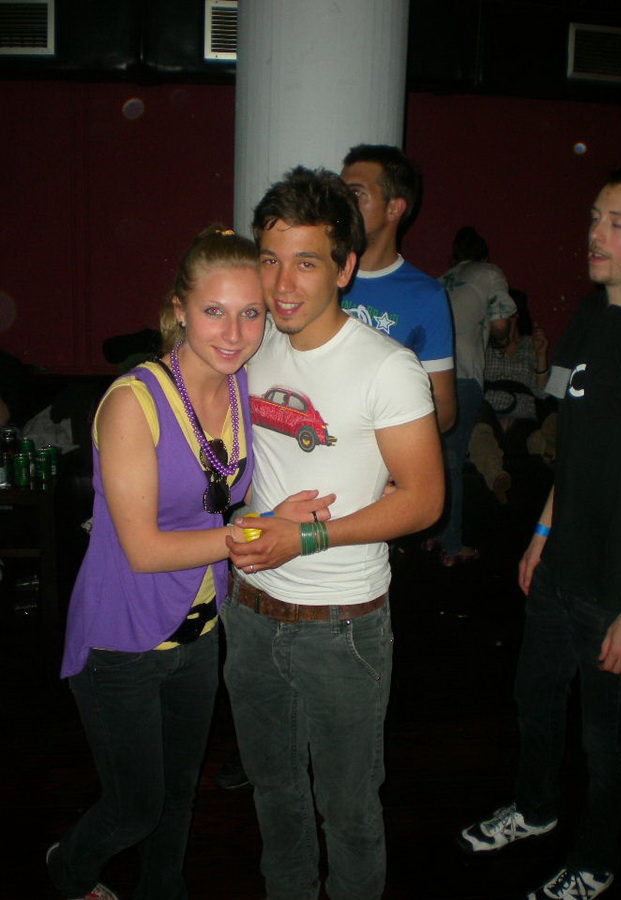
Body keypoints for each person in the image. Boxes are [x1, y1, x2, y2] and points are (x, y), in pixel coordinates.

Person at [46, 226, 332, 900]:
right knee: (134, 808)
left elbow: (222, 499)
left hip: (198, 631)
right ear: (179, 309)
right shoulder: (133, 402)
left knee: (178, 796)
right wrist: (259, 530)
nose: (233, 333)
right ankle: (66, 871)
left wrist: (279, 514)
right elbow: (144, 549)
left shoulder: (238, 388)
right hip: (122, 640)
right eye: (213, 311)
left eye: (250, 312)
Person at [222, 166, 444, 900]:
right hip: (250, 612)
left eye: (307, 263)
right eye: (270, 259)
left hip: (341, 625)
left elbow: (423, 501)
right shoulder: (251, 346)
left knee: (346, 810)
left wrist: (307, 540)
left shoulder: (388, 368)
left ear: (345, 268)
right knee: (274, 793)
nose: (282, 285)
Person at [457, 165, 621, 900]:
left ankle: (598, 859)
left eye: (618, 222)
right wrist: (541, 532)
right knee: (536, 698)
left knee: (605, 738)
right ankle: (536, 809)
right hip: (560, 568)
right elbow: (570, 450)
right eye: (593, 218)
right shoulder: (584, 322)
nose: (595, 234)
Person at [340, 144, 456, 433]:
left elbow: (443, 410)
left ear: (394, 208)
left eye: (356, 194)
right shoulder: (316, 276)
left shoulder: (426, 296)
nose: (342, 204)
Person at [429, 226, 516, 564]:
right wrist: (502, 336)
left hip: (427, 378)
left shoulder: (440, 280)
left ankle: (433, 532)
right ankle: (452, 546)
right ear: (484, 254)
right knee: (453, 458)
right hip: (463, 376)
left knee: (435, 459)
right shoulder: (490, 274)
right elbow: (500, 327)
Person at [468, 289, 553, 502]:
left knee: (539, 437)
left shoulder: (530, 345)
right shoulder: (483, 345)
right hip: (489, 415)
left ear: (515, 315)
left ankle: (553, 456)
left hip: (523, 417)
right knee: (479, 434)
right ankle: (497, 477)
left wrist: (541, 354)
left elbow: (542, 393)